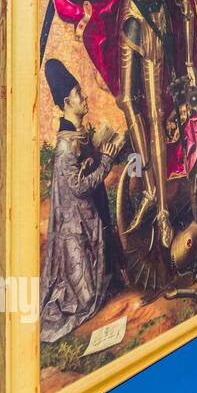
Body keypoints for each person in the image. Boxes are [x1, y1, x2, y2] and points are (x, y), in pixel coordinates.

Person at [40, 59, 125, 343]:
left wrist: (96, 153)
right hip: (75, 231)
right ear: (67, 101)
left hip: (89, 220)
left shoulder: (78, 134)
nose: (84, 97)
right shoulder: (65, 147)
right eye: (79, 94)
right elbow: (78, 188)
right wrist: (105, 162)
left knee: (100, 288)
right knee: (87, 300)